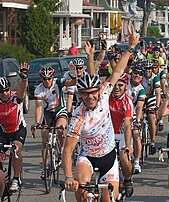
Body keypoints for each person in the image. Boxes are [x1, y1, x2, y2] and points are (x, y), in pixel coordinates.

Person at [62, 25, 139, 202]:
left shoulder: (105, 93)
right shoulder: (77, 117)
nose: (90, 96)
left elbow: (118, 71)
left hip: (108, 157)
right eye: (85, 93)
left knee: (108, 199)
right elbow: (67, 150)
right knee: (80, 188)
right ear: (80, 95)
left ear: (98, 91)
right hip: (87, 157)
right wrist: (68, 177)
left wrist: (131, 46)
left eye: (93, 92)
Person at [0, 63, 28, 192]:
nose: (5, 93)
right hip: (3, 132)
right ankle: (0, 175)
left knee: (16, 149)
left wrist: (24, 79)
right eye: (1, 91)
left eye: (7, 90)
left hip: (18, 129)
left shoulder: (15, 98)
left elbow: (22, 92)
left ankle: (16, 178)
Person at [31, 65, 76, 178]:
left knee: (60, 128)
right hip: (48, 113)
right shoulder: (39, 89)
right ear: (41, 79)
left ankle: (63, 150)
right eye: (45, 79)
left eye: (49, 78)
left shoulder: (58, 82)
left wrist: (73, 74)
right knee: (44, 137)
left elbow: (72, 83)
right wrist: (37, 122)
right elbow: (39, 107)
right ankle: (45, 168)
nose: (47, 81)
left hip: (60, 110)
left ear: (52, 77)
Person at [109, 73, 134, 197]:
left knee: (124, 157)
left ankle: (128, 180)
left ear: (126, 86)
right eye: (115, 84)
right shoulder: (106, 97)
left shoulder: (127, 101)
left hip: (123, 134)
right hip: (108, 134)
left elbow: (128, 124)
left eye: (120, 85)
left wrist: (128, 145)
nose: (117, 87)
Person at [126, 65, 146, 174]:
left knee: (136, 134)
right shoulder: (125, 83)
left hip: (132, 113)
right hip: (120, 112)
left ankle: (137, 161)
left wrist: (137, 120)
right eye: (135, 73)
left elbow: (139, 107)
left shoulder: (141, 90)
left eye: (140, 74)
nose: (137, 75)